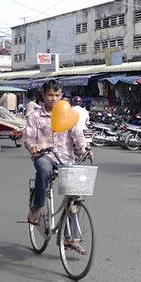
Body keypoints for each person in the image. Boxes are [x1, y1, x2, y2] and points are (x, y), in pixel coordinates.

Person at [24, 80, 91, 254]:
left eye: (57, 95)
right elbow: (29, 138)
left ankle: (71, 239)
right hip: (45, 156)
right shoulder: (35, 116)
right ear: (43, 95)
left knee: (74, 198)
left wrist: (85, 150)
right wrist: (34, 147)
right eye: (50, 95)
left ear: (62, 95)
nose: (53, 98)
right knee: (44, 170)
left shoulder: (68, 114)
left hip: (66, 159)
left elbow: (78, 136)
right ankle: (37, 207)